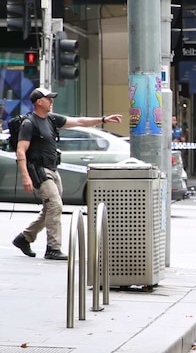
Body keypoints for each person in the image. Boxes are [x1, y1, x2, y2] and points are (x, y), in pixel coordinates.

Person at [12, 87, 123, 260]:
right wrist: (26, 176)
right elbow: (21, 151)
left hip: (53, 169)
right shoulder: (29, 123)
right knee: (55, 205)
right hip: (40, 171)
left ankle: (24, 238)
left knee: (51, 207)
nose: (52, 101)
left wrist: (103, 119)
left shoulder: (51, 119)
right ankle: (53, 248)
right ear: (39, 102)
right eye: (49, 98)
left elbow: (79, 121)